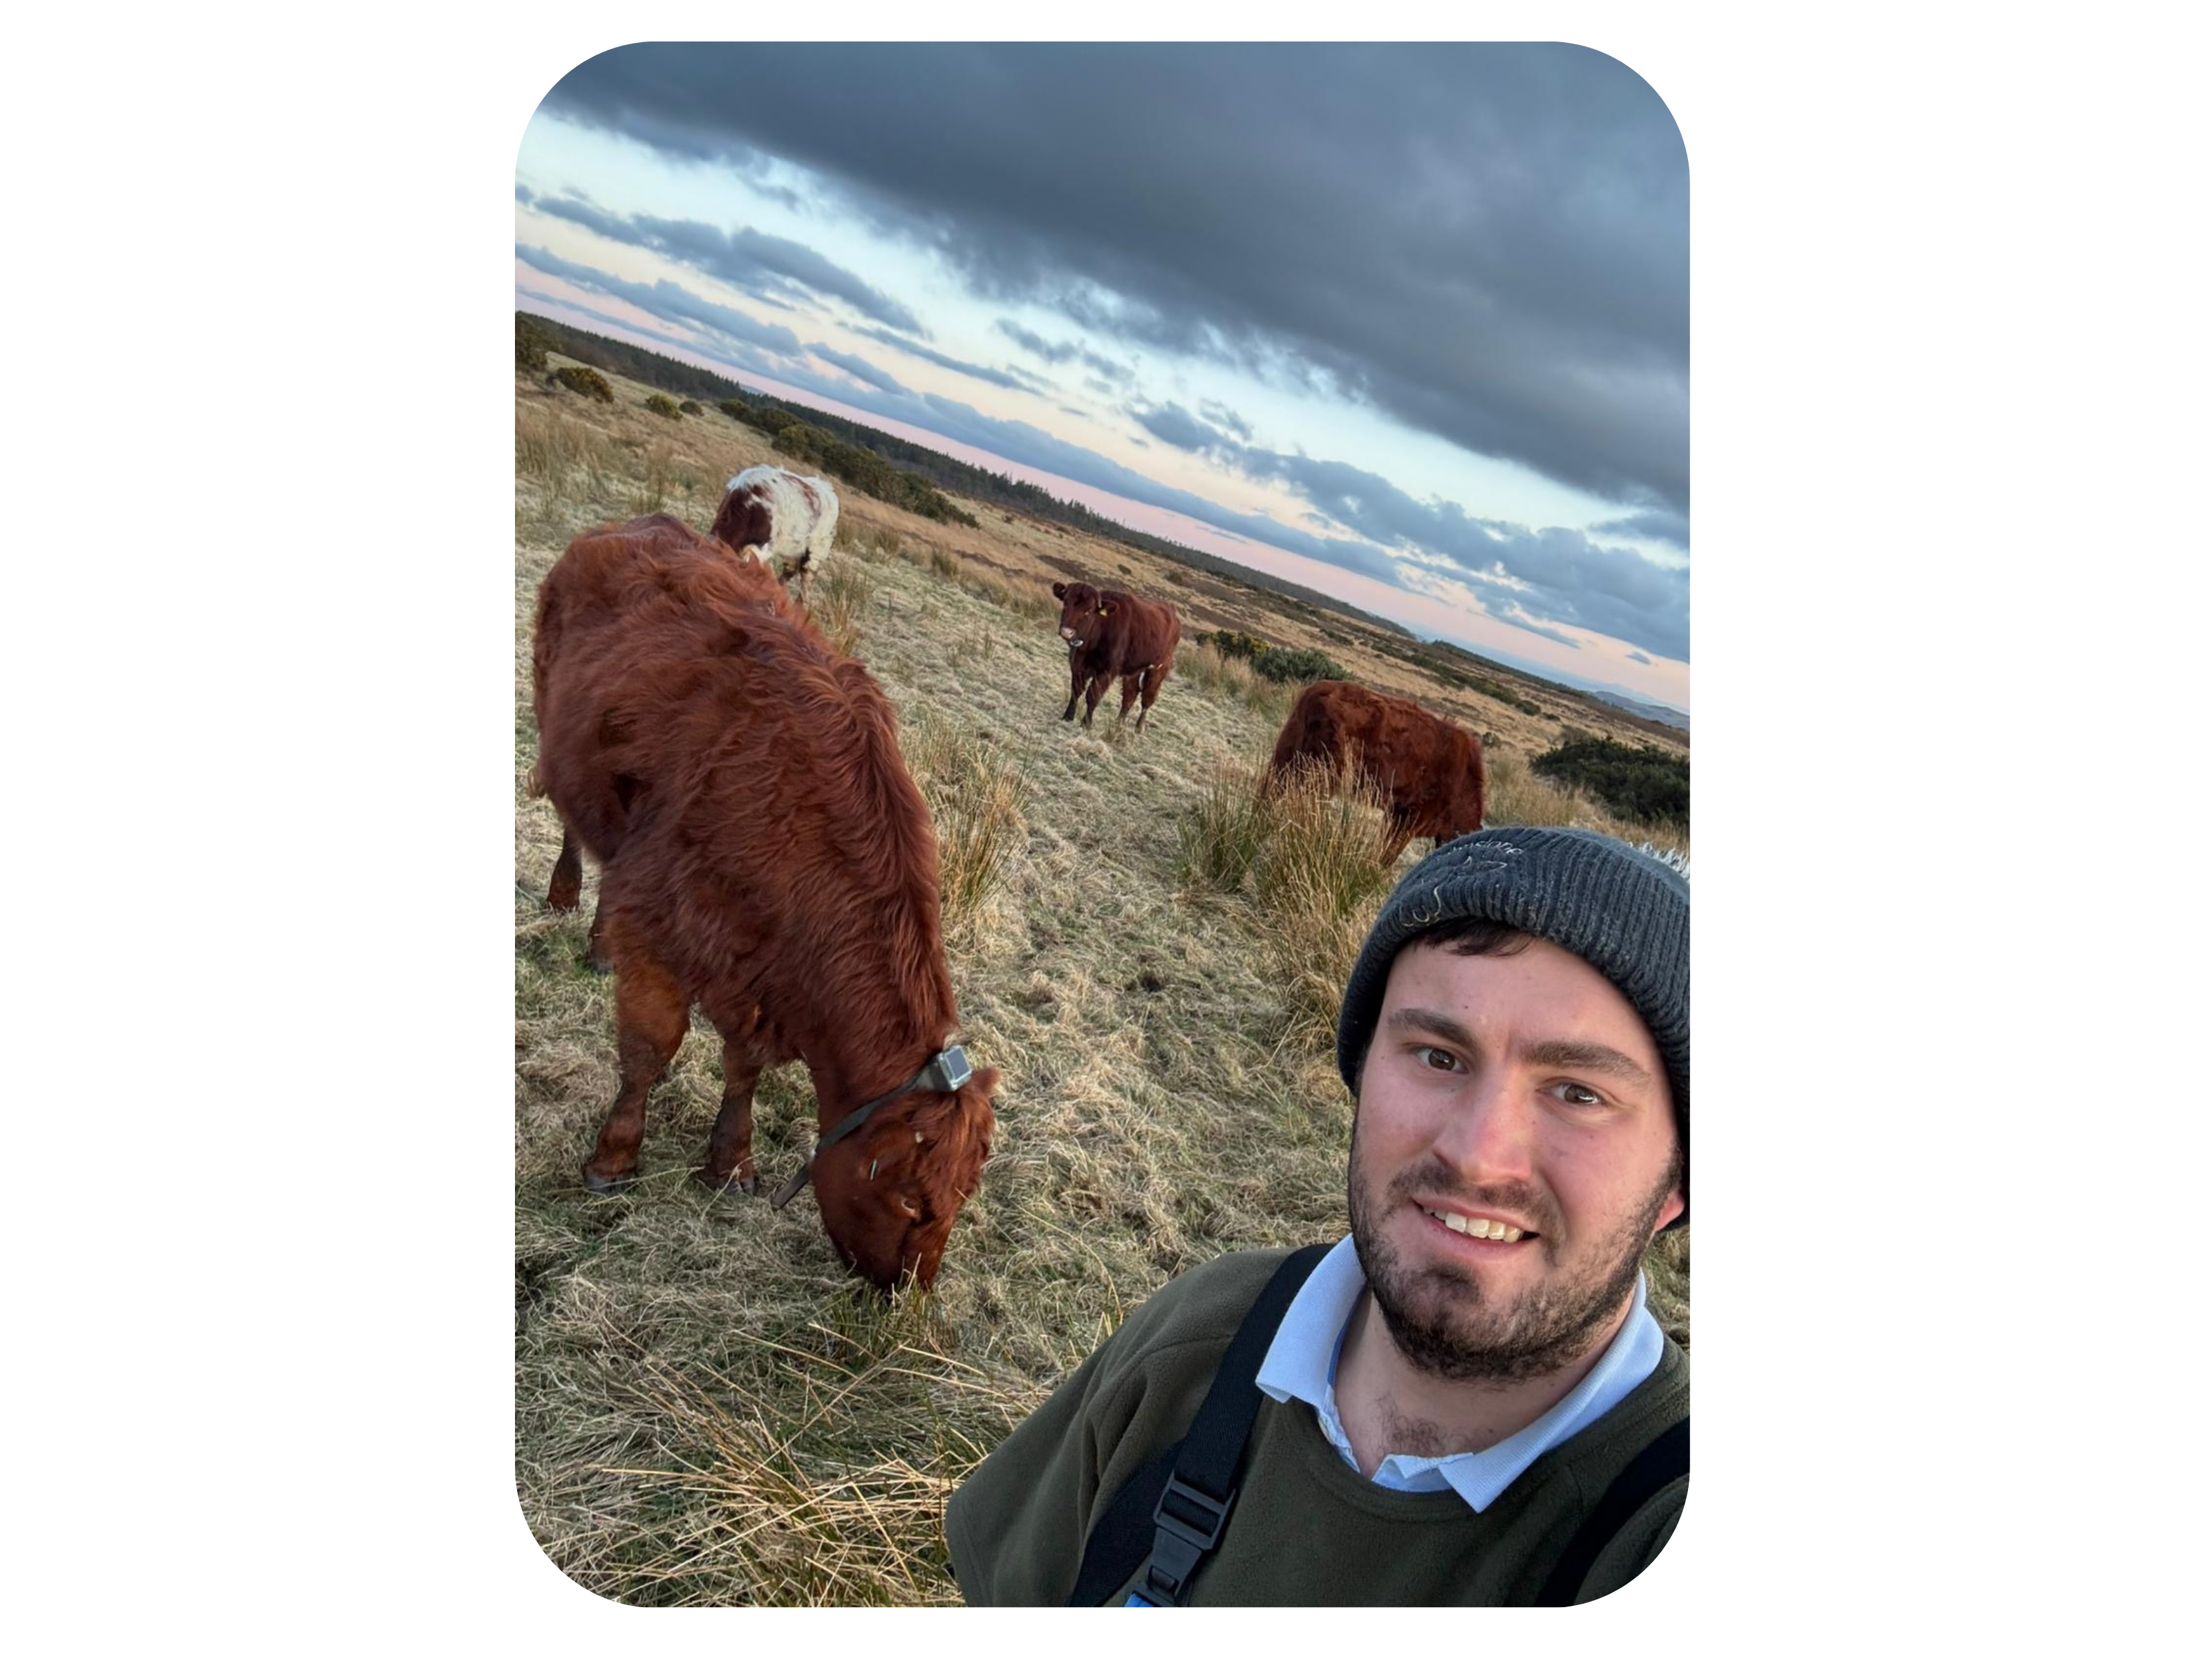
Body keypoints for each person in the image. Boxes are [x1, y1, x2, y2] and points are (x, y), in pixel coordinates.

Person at [946, 826, 1689, 1606]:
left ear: (1676, 1182)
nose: (1476, 1155)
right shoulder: (1202, 1340)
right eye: (1438, 1055)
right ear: (1363, 1074)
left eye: (1577, 1093)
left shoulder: (1652, 1522)